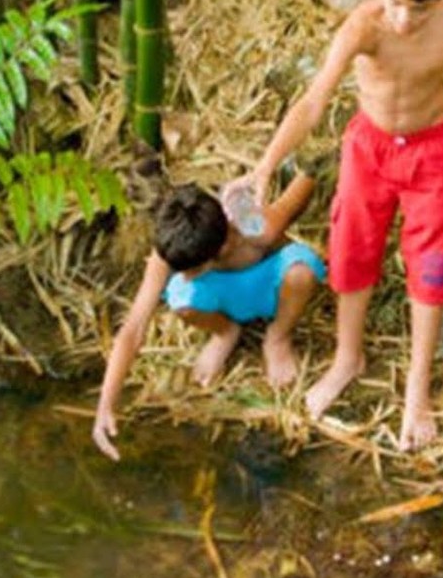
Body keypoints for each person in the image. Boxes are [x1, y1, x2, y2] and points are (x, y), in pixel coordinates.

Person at [226, 0, 443, 451]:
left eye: (418, 9)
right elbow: (313, 101)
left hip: (432, 150)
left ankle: (417, 389)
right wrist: (264, 167)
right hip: (369, 148)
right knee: (352, 250)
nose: (403, 18)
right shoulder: (363, 27)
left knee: (433, 262)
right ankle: (347, 358)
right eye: (394, 2)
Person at [91, 172, 323, 461]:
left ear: (223, 248)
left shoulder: (253, 225)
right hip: (223, 296)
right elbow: (134, 328)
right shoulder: (174, 243)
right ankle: (225, 332)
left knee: (302, 269)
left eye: (193, 270)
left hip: (265, 287)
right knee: (181, 297)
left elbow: (295, 196)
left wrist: (307, 168)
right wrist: (105, 404)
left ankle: (277, 338)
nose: (186, 275)